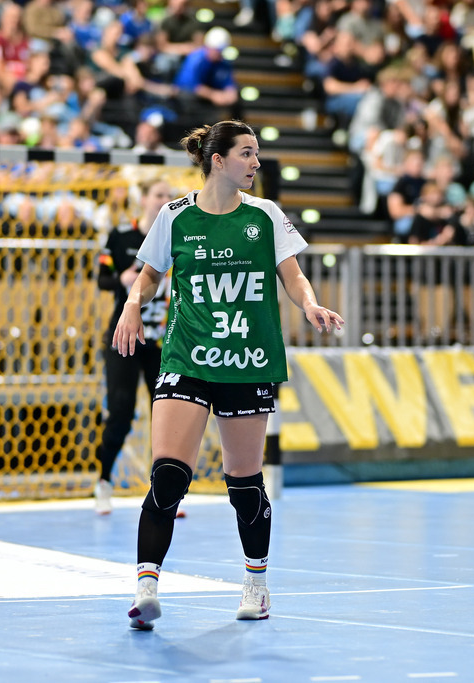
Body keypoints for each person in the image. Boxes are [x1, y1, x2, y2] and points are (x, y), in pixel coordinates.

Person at [113, 120, 344, 629]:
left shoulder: (265, 216)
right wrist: (132, 305)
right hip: (188, 355)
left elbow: (294, 275)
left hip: (248, 358)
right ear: (217, 160)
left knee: (243, 482)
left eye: (257, 153)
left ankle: (256, 585)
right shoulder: (174, 216)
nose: (256, 163)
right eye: (247, 153)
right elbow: (150, 276)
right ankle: (146, 588)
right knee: (169, 475)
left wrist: (309, 304)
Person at [93, 177, 175, 515]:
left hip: (161, 341)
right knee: (122, 412)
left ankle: (166, 492)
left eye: (169, 196)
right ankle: (103, 481)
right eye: (159, 195)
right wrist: (123, 280)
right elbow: (101, 279)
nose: (164, 201)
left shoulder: (176, 235)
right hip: (125, 338)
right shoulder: (121, 236)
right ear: (142, 200)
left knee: (169, 415)